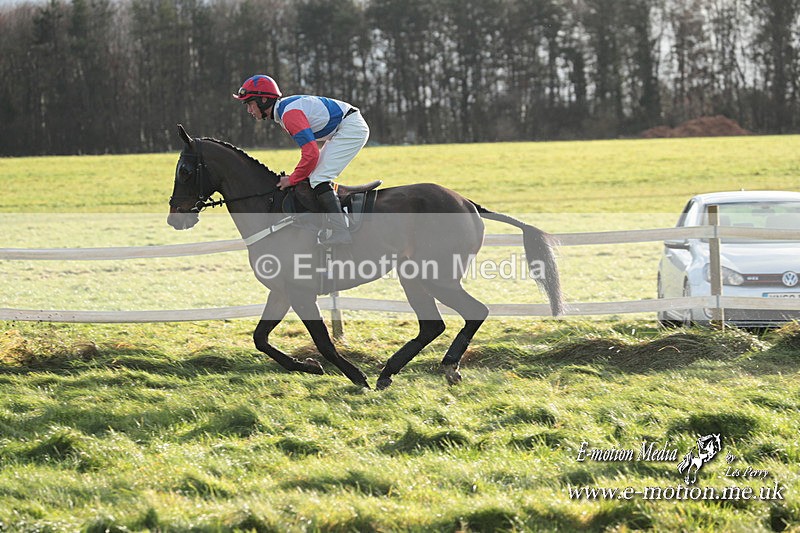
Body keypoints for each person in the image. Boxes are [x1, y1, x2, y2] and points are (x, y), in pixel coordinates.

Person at [233, 74, 369, 245]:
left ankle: (341, 231)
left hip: (351, 128)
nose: (249, 110)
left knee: (318, 178)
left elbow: (311, 153)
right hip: (344, 127)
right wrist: (298, 176)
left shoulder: (289, 115)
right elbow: (311, 153)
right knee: (314, 177)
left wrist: (292, 179)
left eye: (250, 104)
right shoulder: (283, 112)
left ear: (264, 100)